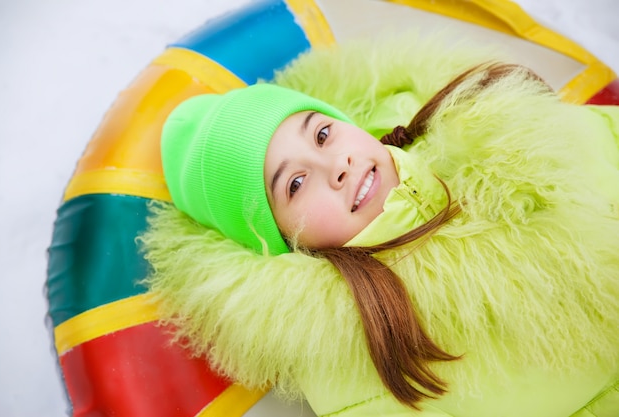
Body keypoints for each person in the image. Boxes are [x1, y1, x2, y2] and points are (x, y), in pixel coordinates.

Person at [139, 37, 619, 417]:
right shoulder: (350, 356)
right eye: (296, 184)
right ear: (282, 242)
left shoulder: (491, 130)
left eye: (322, 133)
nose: (338, 166)